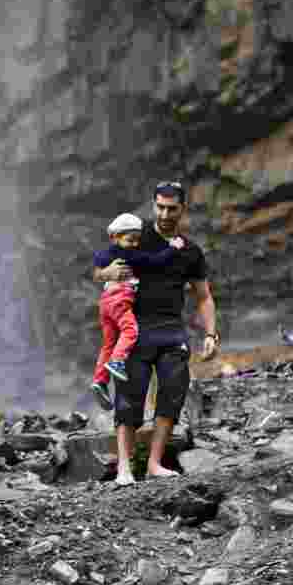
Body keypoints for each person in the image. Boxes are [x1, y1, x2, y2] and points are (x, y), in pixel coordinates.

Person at [93, 181, 218, 485]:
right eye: (159, 207)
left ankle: (154, 463)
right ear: (153, 205)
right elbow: (99, 269)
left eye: (171, 208)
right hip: (134, 329)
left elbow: (203, 296)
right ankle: (124, 467)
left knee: (173, 393)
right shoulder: (136, 235)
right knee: (128, 397)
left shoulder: (190, 251)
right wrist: (107, 274)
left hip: (172, 330)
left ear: (182, 209)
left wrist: (211, 334)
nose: (164, 213)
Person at [90, 213, 185, 411]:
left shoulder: (108, 253)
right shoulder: (130, 255)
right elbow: (155, 261)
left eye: (136, 240)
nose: (134, 244)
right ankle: (117, 363)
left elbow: (97, 260)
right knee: (130, 331)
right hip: (119, 300)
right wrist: (173, 247)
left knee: (109, 343)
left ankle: (100, 380)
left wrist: (105, 270)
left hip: (105, 302)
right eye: (129, 240)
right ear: (116, 237)